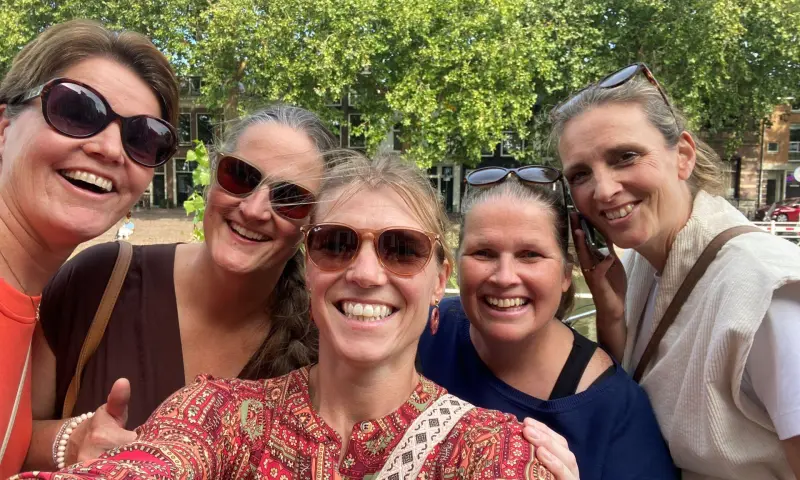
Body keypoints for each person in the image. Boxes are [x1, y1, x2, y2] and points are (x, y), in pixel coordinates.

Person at [12, 153, 560, 479]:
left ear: (439, 279)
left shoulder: (492, 449)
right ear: (310, 267)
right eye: (337, 244)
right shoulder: (218, 413)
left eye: (402, 249)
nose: (366, 272)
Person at [24, 105, 336, 471]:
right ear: (213, 177)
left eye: (290, 199)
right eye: (240, 176)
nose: (254, 209)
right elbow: (12, 437)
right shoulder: (99, 280)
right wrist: (72, 441)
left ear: (314, 223)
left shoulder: (327, 343)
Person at [550, 63, 800, 478]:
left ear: (683, 156)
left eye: (625, 157)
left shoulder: (768, 292)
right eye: (580, 174)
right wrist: (612, 317)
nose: (604, 190)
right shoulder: (640, 270)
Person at [0, 19, 179, 477]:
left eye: (143, 138)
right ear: (3, 127)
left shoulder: (36, 309)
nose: (110, 149)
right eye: (77, 111)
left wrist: (69, 442)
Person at [418, 166, 677, 479]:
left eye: (530, 255)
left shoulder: (616, 411)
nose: (504, 277)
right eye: (483, 253)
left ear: (567, 275)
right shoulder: (420, 333)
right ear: (455, 266)